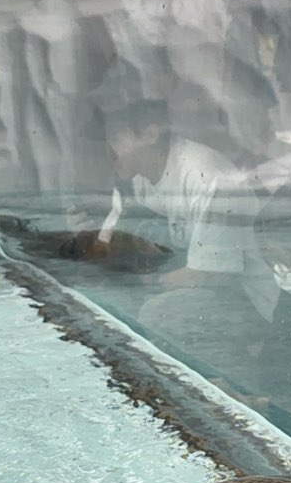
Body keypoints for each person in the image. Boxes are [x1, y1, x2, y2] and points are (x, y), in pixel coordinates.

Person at [99, 98, 280, 387]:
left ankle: (243, 385)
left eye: (118, 138)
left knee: (156, 312)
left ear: (150, 133)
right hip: (191, 279)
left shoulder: (204, 175)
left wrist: (145, 285)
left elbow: (211, 276)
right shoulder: (138, 181)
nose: (109, 151)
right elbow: (107, 248)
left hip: (248, 300)